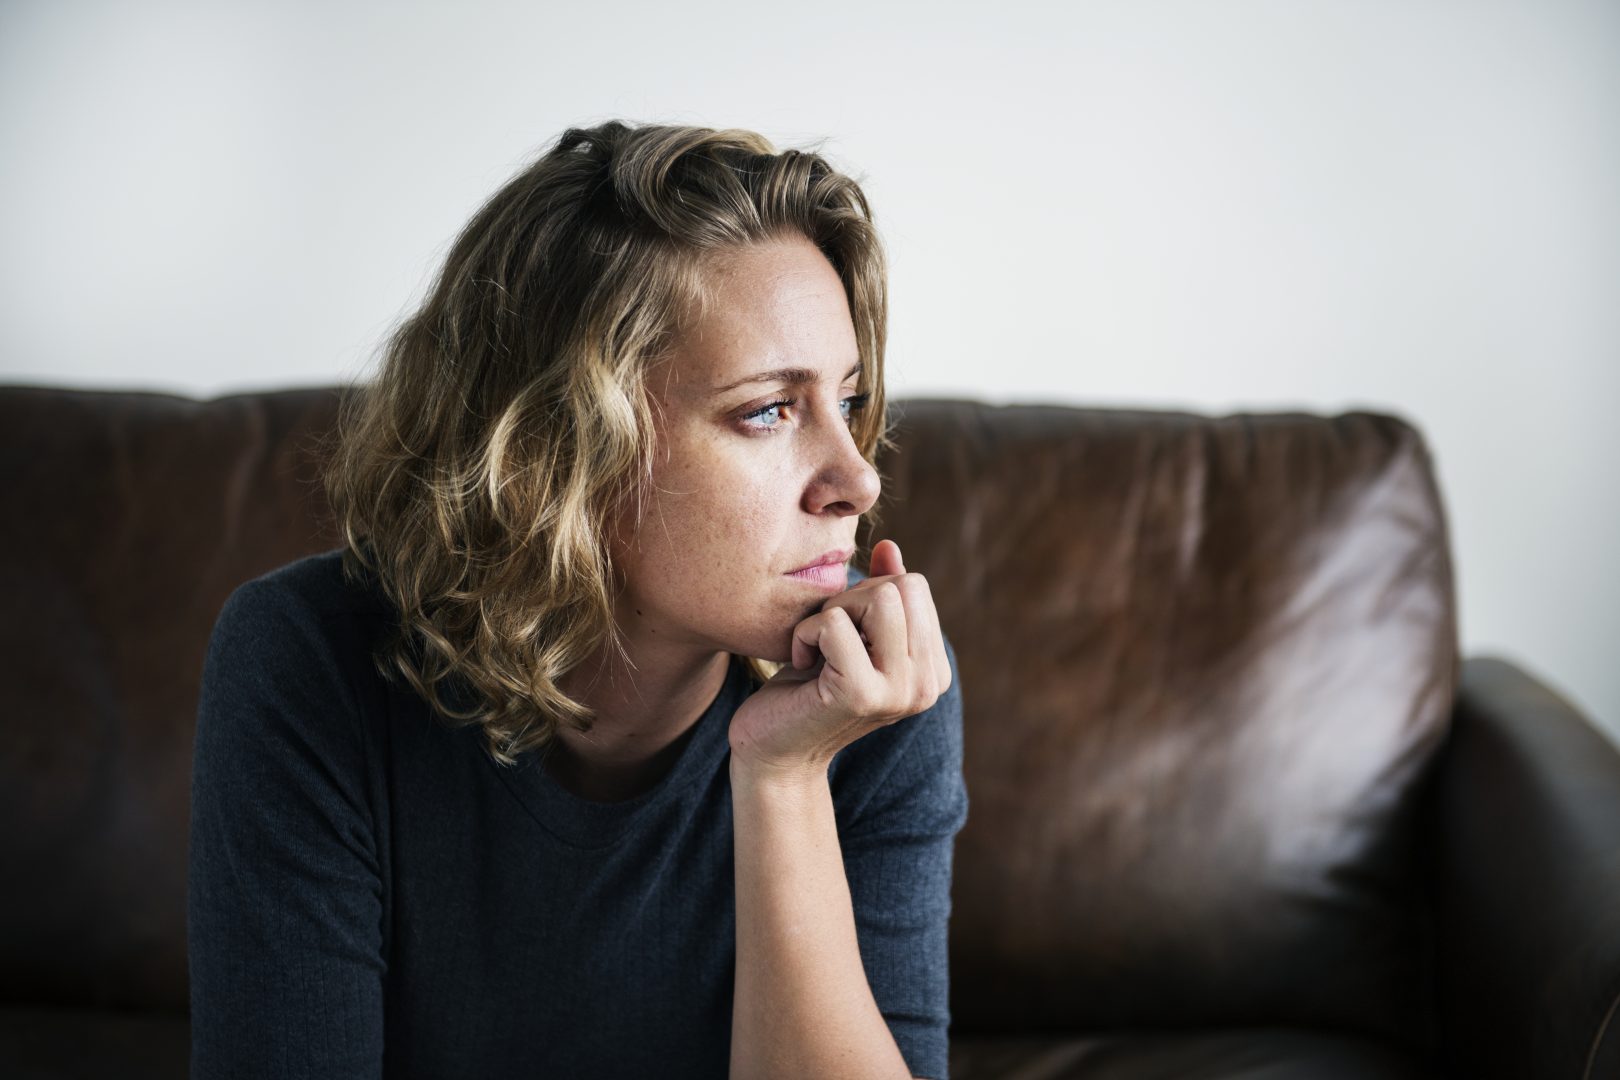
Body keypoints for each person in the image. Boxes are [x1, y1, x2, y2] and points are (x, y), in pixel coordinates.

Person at [187, 119, 968, 1080]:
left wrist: (784, 780)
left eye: (846, 403)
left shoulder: (874, 690)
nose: (857, 479)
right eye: (768, 410)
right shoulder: (308, 662)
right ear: (560, 450)